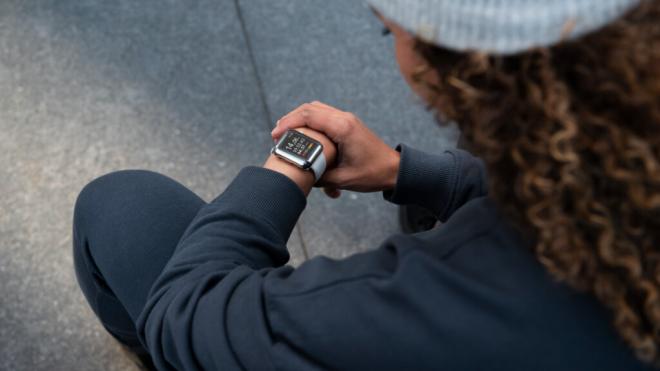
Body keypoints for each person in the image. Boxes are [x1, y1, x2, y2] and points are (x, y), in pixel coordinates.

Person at [72, 0, 660, 369]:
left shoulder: (455, 293)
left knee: (120, 205)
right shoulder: (626, 170)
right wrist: (413, 174)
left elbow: (186, 314)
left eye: (392, 34)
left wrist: (287, 172)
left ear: (449, 60)